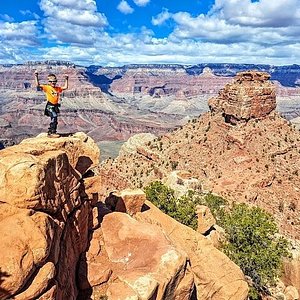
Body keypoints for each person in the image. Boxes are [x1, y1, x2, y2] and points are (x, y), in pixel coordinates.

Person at [34, 72, 69, 137]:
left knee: (55, 118)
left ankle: (53, 131)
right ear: (49, 82)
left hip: (55, 106)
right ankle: (51, 132)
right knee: (54, 117)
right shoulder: (47, 87)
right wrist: (36, 76)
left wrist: (66, 79)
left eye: (55, 82)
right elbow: (37, 85)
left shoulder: (57, 88)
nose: (53, 83)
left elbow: (65, 87)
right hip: (50, 106)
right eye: (52, 82)